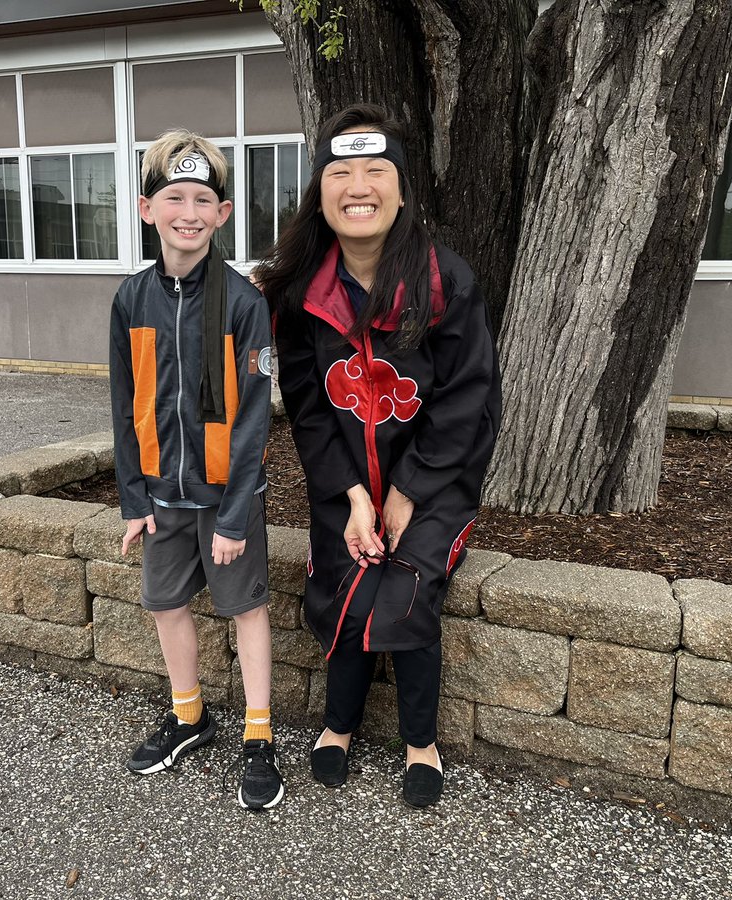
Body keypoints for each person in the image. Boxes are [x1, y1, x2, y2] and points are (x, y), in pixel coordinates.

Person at [256, 104, 502, 808]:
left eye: (375, 170)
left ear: (400, 190)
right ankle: (338, 725)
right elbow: (306, 408)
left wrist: (407, 492)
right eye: (340, 171)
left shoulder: (443, 281)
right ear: (321, 190)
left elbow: (468, 399)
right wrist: (354, 496)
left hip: (436, 479)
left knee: (407, 588)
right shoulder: (304, 294)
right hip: (348, 478)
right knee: (344, 578)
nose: (357, 185)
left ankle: (420, 742)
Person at [108, 129, 282, 811]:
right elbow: (124, 406)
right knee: (166, 604)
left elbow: (254, 416)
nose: (188, 210)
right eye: (173, 196)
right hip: (162, 497)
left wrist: (236, 512)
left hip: (225, 498)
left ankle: (259, 737)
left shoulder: (245, 303)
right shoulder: (130, 300)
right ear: (147, 208)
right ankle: (189, 717)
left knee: (246, 609)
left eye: (202, 199)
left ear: (224, 213)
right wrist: (133, 499)